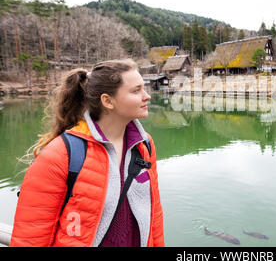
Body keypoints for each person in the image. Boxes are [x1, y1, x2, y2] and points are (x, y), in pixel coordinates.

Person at [10, 59, 164, 247]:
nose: (146, 96)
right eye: (136, 90)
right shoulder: (61, 153)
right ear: (107, 101)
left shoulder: (144, 144)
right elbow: (30, 237)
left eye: (144, 88)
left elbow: (154, 215)